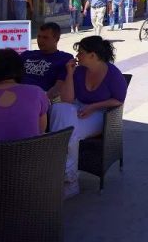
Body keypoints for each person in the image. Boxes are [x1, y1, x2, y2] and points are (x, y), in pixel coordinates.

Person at [51, 36, 128, 198]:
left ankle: (69, 180)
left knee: (70, 132)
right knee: (58, 109)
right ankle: (66, 176)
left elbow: (119, 100)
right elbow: (67, 100)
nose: (77, 56)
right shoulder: (79, 71)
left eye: (81, 52)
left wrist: (93, 107)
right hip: (79, 109)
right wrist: (69, 74)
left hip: (102, 114)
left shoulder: (112, 74)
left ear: (93, 55)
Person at [20, 22, 74, 100]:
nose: (40, 40)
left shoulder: (64, 58)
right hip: (17, 94)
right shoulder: (26, 55)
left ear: (56, 39)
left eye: (45, 37)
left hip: (42, 98)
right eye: (39, 36)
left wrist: (41, 101)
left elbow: (58, 86)